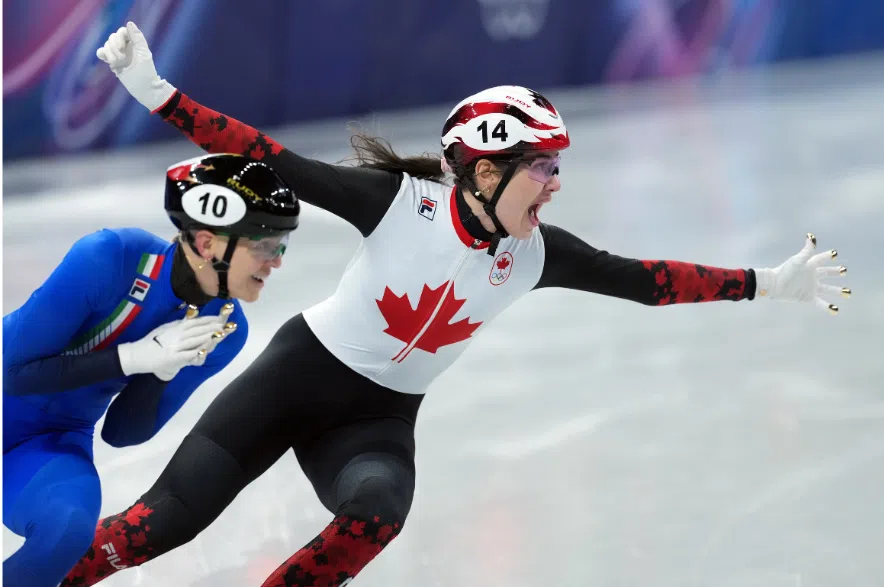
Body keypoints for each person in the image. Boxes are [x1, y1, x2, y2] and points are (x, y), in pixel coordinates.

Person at [62, 23, 850, 587]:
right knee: (156, 527)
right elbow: (270, 157)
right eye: (541, 165)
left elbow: (647, 280)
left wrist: (768, 282)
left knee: (377, 510)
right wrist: (158, 94)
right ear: (482, 171)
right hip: (293, 379)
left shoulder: (537, 253)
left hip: (376, 421)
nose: (556, 181)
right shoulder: (399, 204)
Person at [3, 152, 300, 587]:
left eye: (281, 245)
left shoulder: (224, 331)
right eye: (264, 245)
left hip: (48, 443)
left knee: (67, 528)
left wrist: (160, 373)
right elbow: (13, 375)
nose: (276, 262)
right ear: (206, 243)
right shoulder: (109, 259)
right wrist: (132, 358)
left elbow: (122, 433)